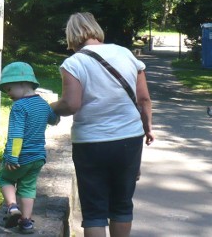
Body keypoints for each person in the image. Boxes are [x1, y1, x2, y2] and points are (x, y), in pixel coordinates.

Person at [50, 12, 154, 237]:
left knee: (94, 210)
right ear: (95, 29)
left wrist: (50, 107)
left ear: (72, 35)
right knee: (122, 204)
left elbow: (71, 104)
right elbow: (144, 99)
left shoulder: (74, 63)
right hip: (129, 139)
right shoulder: (125, 53)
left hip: (91, 142)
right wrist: (147, 128)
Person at [0, 62, 60, 234]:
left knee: (5, 179)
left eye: (9, 89)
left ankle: (12, 207)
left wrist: (12, 156)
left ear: (23, 83)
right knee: (28, 187)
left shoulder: (19, 106)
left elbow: (17, 134)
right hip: (38, 157)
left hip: (21, 156)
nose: (8, 93)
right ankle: (26, 222)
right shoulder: (43, 104)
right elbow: (54, 120)